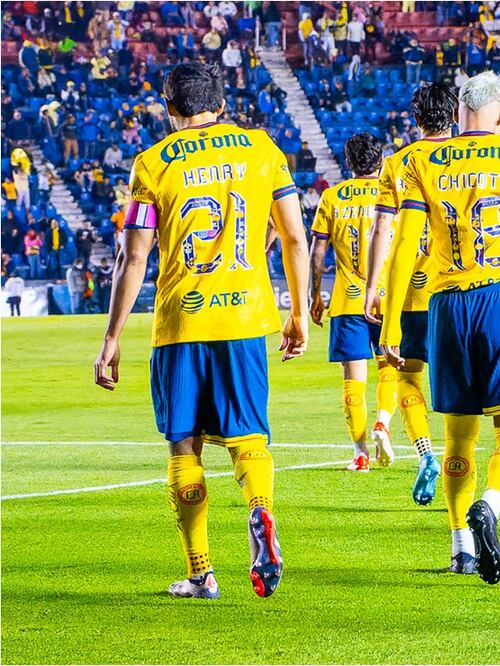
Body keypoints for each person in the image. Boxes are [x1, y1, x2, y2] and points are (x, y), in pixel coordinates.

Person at [92, 62, 310, 601]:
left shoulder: (152, 163)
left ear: (170, 107)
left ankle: (200, 573)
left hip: (181, 321)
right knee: (248, 436)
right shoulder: (261, 149)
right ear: (222, 103)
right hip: (244, 320)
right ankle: (260, 510)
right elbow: (293, 237)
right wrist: (299, 312)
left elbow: (133, 255)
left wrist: (112, 338)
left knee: (184, 445)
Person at [378, 71, 500, 583]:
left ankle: (461, 548)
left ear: (457, 114)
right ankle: (490, 503)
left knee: (458, 438)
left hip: (445, 306)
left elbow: (403, 248)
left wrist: (392, 326)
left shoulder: (421, 161)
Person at [365, 82, 457, 507]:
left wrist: (373, 287)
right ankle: (460, 463)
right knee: (458, 388)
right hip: (454, 291)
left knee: (407, 379)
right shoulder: (467, 158)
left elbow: (382, 229)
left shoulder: (398, 163)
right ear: (453, 116)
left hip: (407, 296)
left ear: (415, 118)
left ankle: (425, 453)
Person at [309, 133, 395, 473]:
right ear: (381, 160)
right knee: (390, 367)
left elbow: (318, 252)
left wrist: (315, 294)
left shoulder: (332, 197)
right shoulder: (392, 193)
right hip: (387, 298)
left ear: (349, 162)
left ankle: (360, 454)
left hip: (348, 301)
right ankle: (383, 421)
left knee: (353, 379)